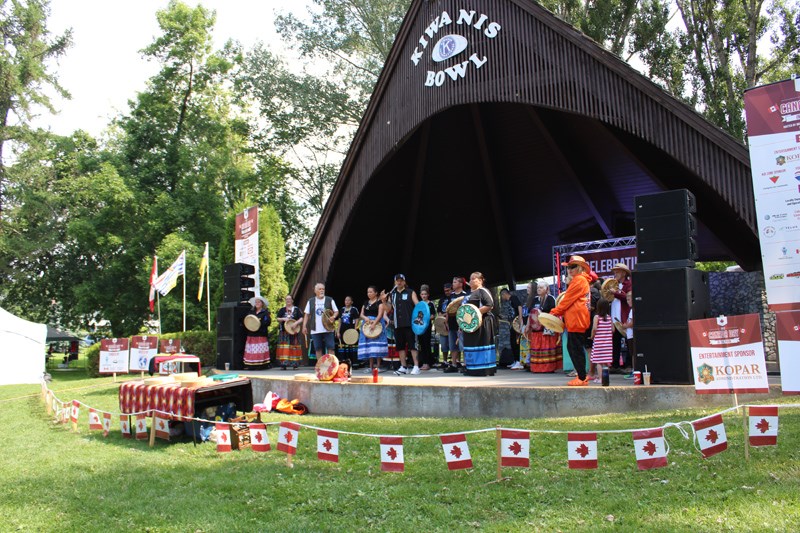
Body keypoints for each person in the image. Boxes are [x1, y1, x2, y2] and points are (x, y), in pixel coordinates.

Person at [549, 255, 593, 386]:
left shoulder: (579, 280)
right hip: (576, 319)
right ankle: (581, 376)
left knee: (575, 348)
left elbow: (567, 299)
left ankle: (582, 377)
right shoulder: (580, 280)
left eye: (572, 267)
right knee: (573, 347)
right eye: (568, 267)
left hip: (577, 320)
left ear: (579, 268)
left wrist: (554, 312)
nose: (569, 269)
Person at [460, 272, 497, 376]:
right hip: (469, 323)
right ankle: (472, 368)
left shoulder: (483, 291)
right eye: (470, 279)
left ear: (480, 281)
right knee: (470, 344)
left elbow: (490, 305)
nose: (471, 280)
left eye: (473, 278)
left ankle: (484, 369)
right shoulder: (468, 293)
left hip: (482, 322)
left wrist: (474, 313)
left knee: (481, 343)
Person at [388, 274, 421, 375]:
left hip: (410, 324)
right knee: (400, 346)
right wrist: (384, 301)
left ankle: (416, 366)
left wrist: (419, 320)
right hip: (397, 324)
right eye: (397, 280)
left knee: (413, 346)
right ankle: (403, 366)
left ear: (404, 282)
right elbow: (388, 309)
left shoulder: (411, 292)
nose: (399, 282)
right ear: (394, 282)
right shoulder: (392, 294)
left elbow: (418, 305)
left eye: (401, 280)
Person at [526, 280, 561, 373]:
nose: (539, 289)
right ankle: (536, 368)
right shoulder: (535, 299)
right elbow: (530, 313)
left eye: (541, 288)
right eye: (538, 288)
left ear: (547, 289)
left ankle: (548, 368)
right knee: (537, 348)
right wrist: (527, 326)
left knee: (547, 348)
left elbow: (554, 313)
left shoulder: (551, 299)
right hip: (536, 329)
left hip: (546, 327)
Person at [302, 283, 339, 360]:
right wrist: (304, 326)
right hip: (315, 329)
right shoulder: (311, 301)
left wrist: (333, 317)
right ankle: (321, 366)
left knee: (331, 348)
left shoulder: (329, 300)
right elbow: (306, 314)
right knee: (318, 348)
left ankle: (332, 366)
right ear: (315, 291)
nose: (322, 290)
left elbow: (336, 311)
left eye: (323, 289)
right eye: (320, 289)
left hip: (328, 328)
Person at [443, 276, 470, 373]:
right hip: (451, 323)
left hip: (462, 324)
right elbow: (448, 310)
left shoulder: (466, 295)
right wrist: (446, 321)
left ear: (460, 284)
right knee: (452, 345)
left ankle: (466, 364)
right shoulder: (451, 295)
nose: (453, 284)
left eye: (454, 282)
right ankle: (454, 364)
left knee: (463, 345)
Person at [358, 286, 388, 373]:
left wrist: (374, 323)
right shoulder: (366, 302)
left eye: (371, 292)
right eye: (368, 292)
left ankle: (378, 366)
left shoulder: (379, 303)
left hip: (377, 324)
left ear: (376, 293)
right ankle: (370, 366)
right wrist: (365, 318)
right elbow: (361, 314)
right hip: (367, 325)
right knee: (369, 346)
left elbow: (380, 314)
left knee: (377, 346)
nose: (369, 294)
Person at [610, 263, 632, 372]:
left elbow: (628, 296)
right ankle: (615, 365)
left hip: (625, 318)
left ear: (623, 273)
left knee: (628, 342)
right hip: (615, 319)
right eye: (614, 272)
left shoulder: (629, 284)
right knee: (615, 343)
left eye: (617, 271)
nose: (615, 274)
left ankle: (628, 365)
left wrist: (615, 293)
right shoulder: (614, 285)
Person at [588, 298, 613, 383]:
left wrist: (592, 336)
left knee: (598, 362)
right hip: (608, 343)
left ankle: (600, 378)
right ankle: (606, 378)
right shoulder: (609, 317)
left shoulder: (596, 317)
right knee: (606, 362)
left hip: (599, 342)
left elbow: (594, 328)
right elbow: (613, 329)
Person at [275, 295, 303, 369]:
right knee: (284, 347)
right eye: (286, 299)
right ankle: (284, 364)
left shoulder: (296, 309)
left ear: (292, 300)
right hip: (284, 332)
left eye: (289, 299)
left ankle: (295, 363)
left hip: (294, 331)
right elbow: (277, 318)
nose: (288, 300)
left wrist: (296, 323)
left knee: (294, 347)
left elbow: (301, 318)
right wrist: (283, 319)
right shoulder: (282, 310)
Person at [244, 295, 271, 368]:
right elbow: (247, 320)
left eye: (259, 302)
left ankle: (261, 365)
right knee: (252, 350)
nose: (257, 303)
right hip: (252, 333)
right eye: (256, 302)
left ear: (262, 303)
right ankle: (251, 365)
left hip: (261, 334)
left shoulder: (265, 312)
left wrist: (258, 324)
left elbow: (268, 322)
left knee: (260, 349)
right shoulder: (251, 311)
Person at [337, 295, 360, 372]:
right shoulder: (342, 309)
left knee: (352, 347)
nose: (347, 302)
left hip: (351, 330)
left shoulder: (354, 309)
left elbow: (357, 319)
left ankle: (354, 364)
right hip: (343, 331)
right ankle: (344, 364)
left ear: (351, 302)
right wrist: (338, 331)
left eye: (348, 300)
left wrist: (355, 329)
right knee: (343, 347)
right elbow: (340, 321)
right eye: (345, 300)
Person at [417, 286, 437, 370]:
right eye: (422, 294)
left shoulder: (430, 304)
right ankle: (422, 362)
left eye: (425, 294)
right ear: (420, 295)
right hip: (420, 327)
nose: (424, 296)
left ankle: (428, 363)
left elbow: (433, 315)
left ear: (428, 295)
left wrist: (425, 319)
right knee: (421, 345)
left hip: (427, 326)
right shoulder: (419, 304)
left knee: (426, 344)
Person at [496, 289, 516, 368]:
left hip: (507, 326)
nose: (501, 297)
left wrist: (505, 317)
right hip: (502, 327)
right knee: (501, 345)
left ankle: (509, 361)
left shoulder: (510, 303)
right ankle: (502, 361)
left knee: (508, 344)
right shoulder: (503, 303)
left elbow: (512, 314)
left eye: (502, 295)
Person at [436, 283, 453, 370]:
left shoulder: (453, 298)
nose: (447, 292)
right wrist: (441, 318)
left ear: (452, 289)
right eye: (445, 291)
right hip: (442, 324)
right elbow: (439, 311)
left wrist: (447, 315)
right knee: (443, 344)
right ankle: (445, 361)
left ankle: (455, 361)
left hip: (451, 323)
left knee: (453, 343)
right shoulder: (442, 299)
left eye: (448, 290)